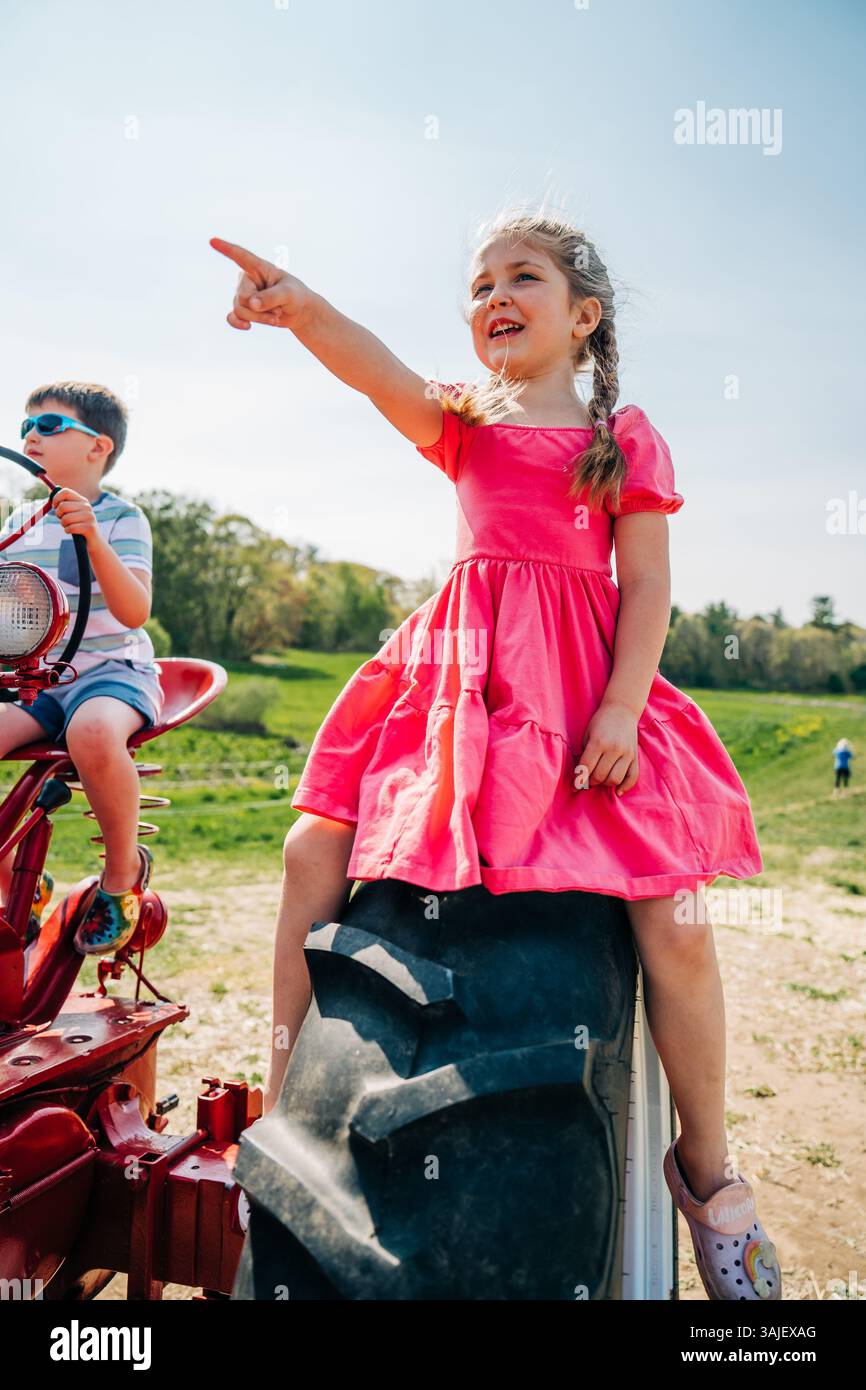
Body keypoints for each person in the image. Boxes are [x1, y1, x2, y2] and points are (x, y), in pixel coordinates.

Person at [211, 208, 781, 1301]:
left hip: (580, 698)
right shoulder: (463, 421)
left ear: (584, 317)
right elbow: (376, 373)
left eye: (520, 278)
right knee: (306, 848)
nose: (492, 299)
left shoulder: (624, 443)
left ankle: (708, 1177)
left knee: (673, 919)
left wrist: (619, 711)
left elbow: (647, 586)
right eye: (475, 287)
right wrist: (299, 306)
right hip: (459, 683)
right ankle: (287, 1106)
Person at [0, 382, 164, 954]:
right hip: (38, 680)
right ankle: (15, 887)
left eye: (47, 426)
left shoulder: (122, 517)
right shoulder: (20, 520)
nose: (29, 438)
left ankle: (122, 877)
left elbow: (134, 610)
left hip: (110, 674)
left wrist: (91, 535)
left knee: (90, 730)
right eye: (25, 428)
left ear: (98, 447)